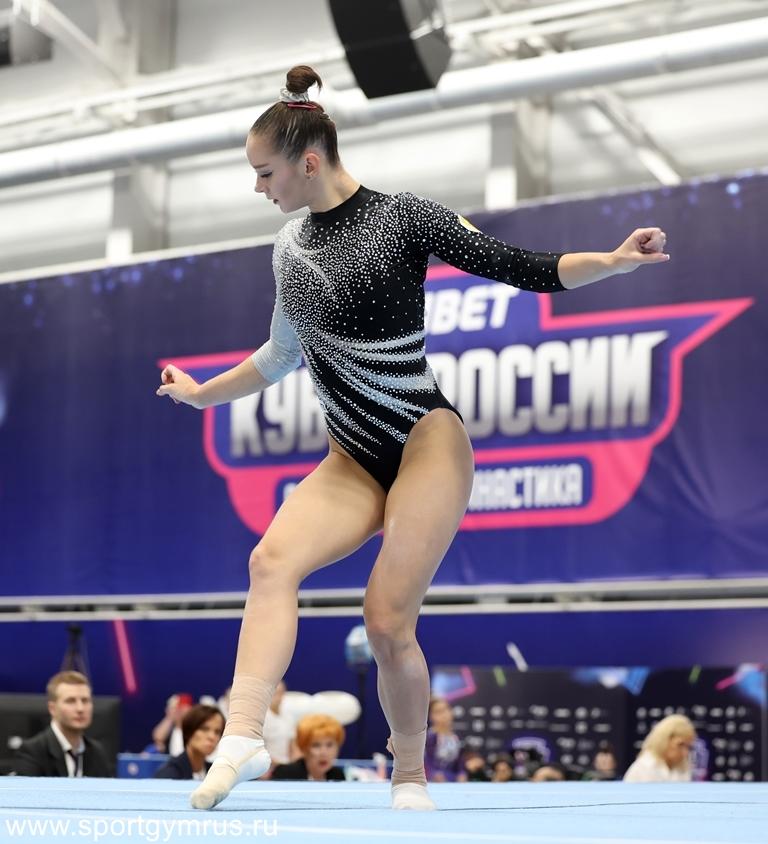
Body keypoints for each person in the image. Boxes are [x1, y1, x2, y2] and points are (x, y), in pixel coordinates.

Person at [155, 64, 670, 812]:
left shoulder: (404, 219)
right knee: (270, 562)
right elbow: (280, 354)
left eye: (264, 173)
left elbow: (523, 267)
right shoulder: (288, 247)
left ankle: (409, 774)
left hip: (427, 440)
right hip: (351, 456)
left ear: (308, 162)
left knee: (387, 619)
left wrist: (614, 261)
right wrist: (202, 394)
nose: (257, 188)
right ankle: (242, 734)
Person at [13, 671, 113, 778]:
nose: (80, 708)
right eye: (71, 701)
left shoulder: (97, 752)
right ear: (52, 708)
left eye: (85, 701)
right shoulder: (32, 752)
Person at [153, 704, 225, 781]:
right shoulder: (168, 775)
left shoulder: (217, 773)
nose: (212, 737)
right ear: (188, 731)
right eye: (204, 729)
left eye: (217, 732)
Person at [270, 714, 345, 782]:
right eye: (316, 745)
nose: (324, 753)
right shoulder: (286, 773)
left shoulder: (337, 775)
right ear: (304, 748)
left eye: (329, 745)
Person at [623, 714, 697, 783]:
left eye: (688, 747)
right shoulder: (644, 767)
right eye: (680, 745)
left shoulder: (683, 768)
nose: (685, 753)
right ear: (665, 740)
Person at [424, 697, 465, 782]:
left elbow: (460, 763)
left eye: (446, 709)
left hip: (452, 779)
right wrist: (434, 774)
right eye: (438, 712)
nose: (444, 714)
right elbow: (427, 762)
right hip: (433, 781)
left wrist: (462, 774)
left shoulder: (456, 737)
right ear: (430, 716)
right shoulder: (430, 737)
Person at [262, 680, 297, 766]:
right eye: (275, 693)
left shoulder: (289, 717)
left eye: (281, 693)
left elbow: (293, 746)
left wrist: (295, 765)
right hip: (268, 766)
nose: (278, 697)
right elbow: (259, 750)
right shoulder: (261, 718)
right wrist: (279, 765)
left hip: (287, 765)